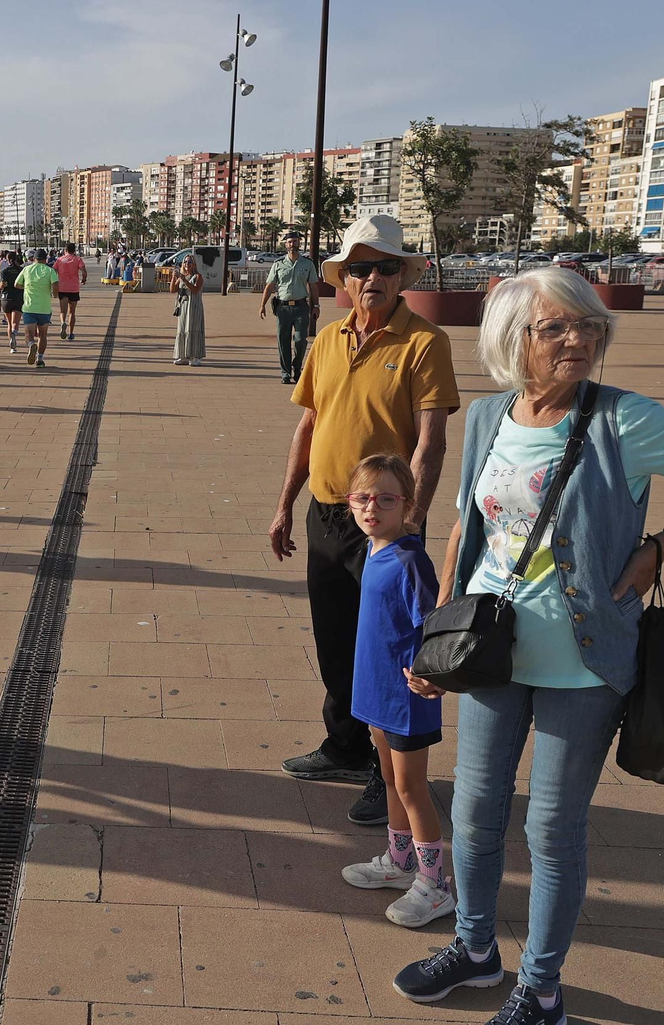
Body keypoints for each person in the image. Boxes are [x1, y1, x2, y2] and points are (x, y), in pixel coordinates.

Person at [390, 267, 664, 1025]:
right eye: (556, 327)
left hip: (584, 659)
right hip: (491, 651)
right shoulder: (486, 418)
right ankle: (475, 948)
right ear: (513, 338)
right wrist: (439, 625)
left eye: (589, 325)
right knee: (474, 811)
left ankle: (541, 988)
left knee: (551, 825)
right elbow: (466, 525)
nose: (578, 339)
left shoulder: (625, 421)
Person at [268, 214, 459, 828]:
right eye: (359, 268)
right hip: (327, 512)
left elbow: (430, 442)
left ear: (403, 276)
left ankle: (388, 774)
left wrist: (411, 521)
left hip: (384, 524)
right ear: (344, 279)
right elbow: (308, 426)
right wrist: (285, 505)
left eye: (384, 267)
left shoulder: (425, 343)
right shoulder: (327, 339)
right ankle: (345, 746)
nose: (371, 277)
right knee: (333, 640)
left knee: (388, 650)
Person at [337, 454, 450, 929]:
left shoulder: (409, 559)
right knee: (388, 778)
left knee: (411, 787)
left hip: (406, 696)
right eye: (362, 498)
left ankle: (435, 884)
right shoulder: (373, 549)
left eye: (386, 499)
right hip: (376, 692)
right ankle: (400, 862)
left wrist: (432, 675)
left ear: (407, 504)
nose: (372, 508)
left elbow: (432, 623)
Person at [259, 235, 321, 384]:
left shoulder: (307, 263)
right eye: (289, 242)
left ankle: (297, 367)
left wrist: (316, 306)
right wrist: (262, 305)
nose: (292, 244)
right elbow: (270, 285)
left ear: (299, 243)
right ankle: (285, 373)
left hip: (301, 307)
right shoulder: (278, 264)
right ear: (285, 245)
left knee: (300, 340)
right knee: (283, 340)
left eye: (294, 241)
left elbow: (313, 286)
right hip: (283, 308)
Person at [15, 248, 58, 368]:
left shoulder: (27, 269)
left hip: (29, 307)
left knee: (28, 334)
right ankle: (40, 358)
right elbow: (55, 285)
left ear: (34, 259)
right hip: (44, 308)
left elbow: (16, 284)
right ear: (45, 259)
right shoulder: (50, 271)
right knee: (42, 335)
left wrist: (26, 287)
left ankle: (31, 345)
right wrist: (54, 294)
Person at [171, 253, 205, 366]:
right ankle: (183, 355)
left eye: (190, 262)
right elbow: (172, 290)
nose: (187, 264)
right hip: (183, 306)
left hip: (194, 306)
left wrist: (184, 280)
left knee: (193, 329)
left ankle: (195, 356)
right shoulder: (182, 276)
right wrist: (174, 277)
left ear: (194, 264)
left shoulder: (198, 276)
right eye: (185, 262)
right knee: (182, 329)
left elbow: (195, 289)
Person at [54, 242, 87, 340]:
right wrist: (84, 279)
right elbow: (84, 272)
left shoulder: (59, 260)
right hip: (74, 288)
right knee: (72, 312)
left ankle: (62, 322)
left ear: (66, 250)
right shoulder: (78, 259)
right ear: (74, 250)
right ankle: (71, 333)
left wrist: (54, 283)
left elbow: (53, 271)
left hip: (62, 288)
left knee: (62, 311)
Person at [0, 250, 25, 352]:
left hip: (6, 298)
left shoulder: (4, 271)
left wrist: (1, 286)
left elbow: (2, 284)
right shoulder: (21, 270)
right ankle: (14, 333)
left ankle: (12, 346)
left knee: (9, 323)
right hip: (18, 297)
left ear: (7, 259)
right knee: (15, 323)